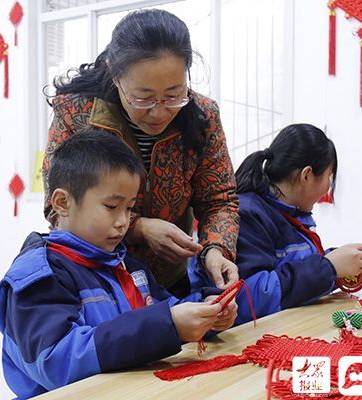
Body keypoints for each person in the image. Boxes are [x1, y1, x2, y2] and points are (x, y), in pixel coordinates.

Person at [0, 131, 237, 399]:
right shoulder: (40, 275)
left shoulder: (128, 265)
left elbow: (164, 309)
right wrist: (168, 325)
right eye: (111, 206)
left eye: (129, 208)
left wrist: (205, 314)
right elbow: (55, 362)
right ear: (62, 202)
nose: (123, 222)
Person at [43, 9, 239, 297]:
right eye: (143, 98)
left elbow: (219, 199)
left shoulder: (202, 117)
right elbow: (56, 206)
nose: (159, 112)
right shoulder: (77, 114)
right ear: (115, 75)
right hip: (95, 279)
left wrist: (216, 249)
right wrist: (138, 227)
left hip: (168, 281)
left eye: (173, 95)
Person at [191, 124, 362, 324]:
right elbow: (247, 300)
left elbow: (293, 269)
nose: (328, 186)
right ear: (306, 175)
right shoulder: (248, 214)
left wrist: (337, 261)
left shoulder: (288, 213)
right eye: (328, 177)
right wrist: (329, 267)